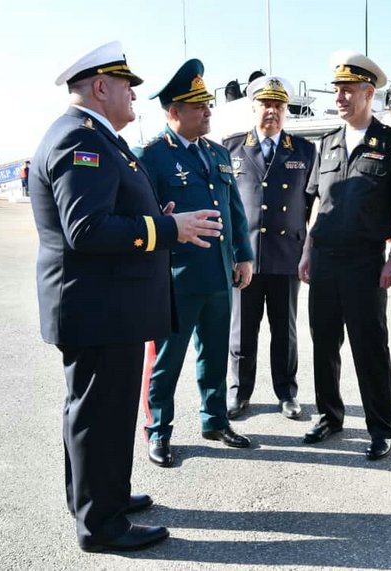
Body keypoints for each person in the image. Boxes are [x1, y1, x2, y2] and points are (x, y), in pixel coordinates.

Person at [29, 41, 222, 552]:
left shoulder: (96, 137)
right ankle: (101, 525)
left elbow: (111, 213)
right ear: (100, 87)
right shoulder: (81, 141)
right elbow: (87, 229)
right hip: (99, 308)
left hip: (105, 305)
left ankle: (100, 497)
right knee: (100, 415)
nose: (134, 94)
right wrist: (168, 228)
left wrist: (159, 219)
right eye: (126, 85)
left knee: (99, 412)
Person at [298, 50, 391, 460]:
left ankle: (381, 428)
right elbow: (318, 203)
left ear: (368, 93)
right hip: (325, 259)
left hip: (366, 262)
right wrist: (307, 251)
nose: (340, 97)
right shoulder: (327, 143)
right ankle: (329, 416)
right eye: (337, 90)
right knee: (324, 342)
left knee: (370, 347)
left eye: (348, 90)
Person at [138, 59, 254, 468]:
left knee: (215, 354)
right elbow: (142, 218)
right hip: (175, 278)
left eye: (207, 103)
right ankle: (158, 431)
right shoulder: (150, 156)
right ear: (174, 111)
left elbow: (234, 209)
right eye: (198, 105)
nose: (208, 111)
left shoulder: (218, 153)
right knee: (166, 361)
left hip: (219, 274)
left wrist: (244, 255)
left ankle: (215, 420)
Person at [223, 76, 317, 420]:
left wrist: (308, 249)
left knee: (285, 331)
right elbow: (225, 203)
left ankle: (287, 393)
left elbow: (312, 204)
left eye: (279, 105)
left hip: (286, 255)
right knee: (242, 331)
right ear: (254, 107)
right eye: (266, 104)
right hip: (245, 257)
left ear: (286, 110)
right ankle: (239, 392)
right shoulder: (231, 148)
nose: (272, 111)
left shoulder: (304, 150)